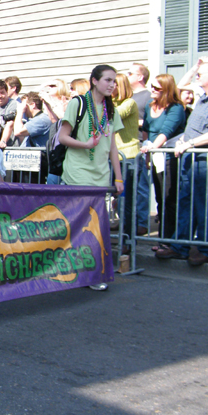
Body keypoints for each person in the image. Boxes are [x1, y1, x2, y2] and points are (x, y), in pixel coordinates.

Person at [155, 62, 208, 266]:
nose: (196, 77)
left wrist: (190, 143)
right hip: (190, 157)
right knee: (185, 202)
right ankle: (181, 246)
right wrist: (185, 141)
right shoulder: (203, 100)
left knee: (206, 203)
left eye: (200, 74)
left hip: (206, 158)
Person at [58, 64, 124, 291]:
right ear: (94, 81)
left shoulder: (110, 109)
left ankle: (92, 274)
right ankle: (71, 270)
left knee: (96, 227)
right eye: (108, 80)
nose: (112, 85)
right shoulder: (78, 103)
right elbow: (63, 137)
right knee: (76, 224)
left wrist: (119, 177)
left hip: (101, 175)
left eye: (114, 81)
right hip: (78, 173)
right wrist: (85, 144)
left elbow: (113, 146)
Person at [140, 74, 186, 245]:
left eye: (157, 88)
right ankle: (163, 239)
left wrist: (153, 147)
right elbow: (146, 129)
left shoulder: (176, 108)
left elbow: (166, 131)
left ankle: (169, 240)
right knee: (160, 197)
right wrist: (148, 153)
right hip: (154, 155)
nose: (152, 90)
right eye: (152, 86)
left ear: (166, 89)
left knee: (169, 198)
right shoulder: (149, 106)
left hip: (170, 156)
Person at [112, 72, 147, 252]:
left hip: (128, 157)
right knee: (114, 200)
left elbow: (114, 116)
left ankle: (127, 240)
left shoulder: (129, 103)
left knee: (126, 201)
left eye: (113, 84)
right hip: (113, 158)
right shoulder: (111, 104)